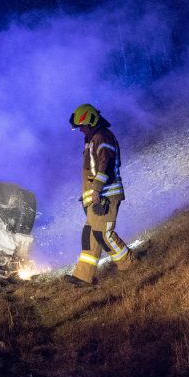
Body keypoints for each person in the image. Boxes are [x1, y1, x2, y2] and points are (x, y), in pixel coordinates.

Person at [66, 103, 135, 285]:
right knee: (90, 234)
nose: (80, 130)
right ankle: (84, 276)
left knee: (104, 234)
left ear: (90, 120)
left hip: (106, 195)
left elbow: (105, 164)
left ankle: (130, 265)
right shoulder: (93, 139)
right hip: (97, 197)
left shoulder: (103, 137)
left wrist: (96, 190)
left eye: (82, 126)